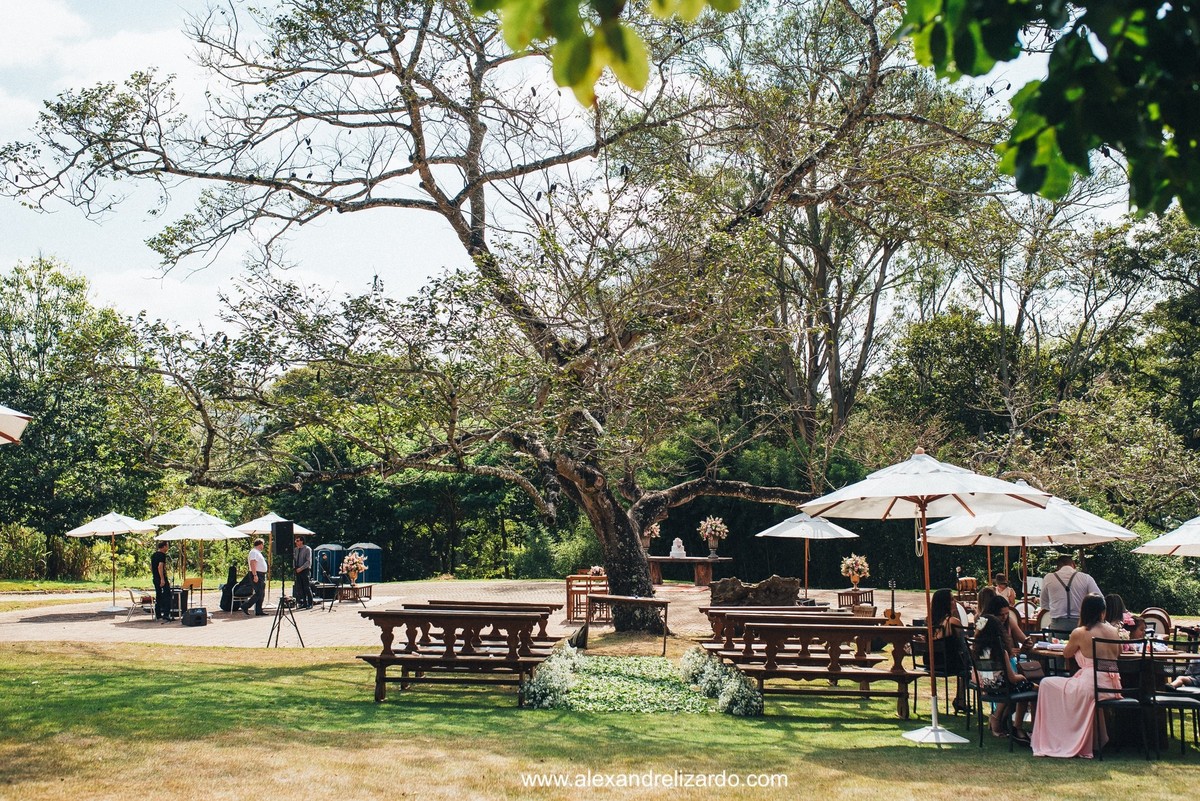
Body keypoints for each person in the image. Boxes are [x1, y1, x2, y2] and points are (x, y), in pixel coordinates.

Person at [1030, 593, 1122, 758]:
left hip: (1091, 685)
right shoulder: (1114, 631)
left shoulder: (1080, 632)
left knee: (1045, 683)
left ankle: (1058, 737)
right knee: (1064, 685)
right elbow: (1119, 654)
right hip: (1112, 685)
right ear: (1103, 612)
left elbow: (1066, 653)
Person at [972, 612, 1035, 744]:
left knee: (1024, 686)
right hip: (1001, 686)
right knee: (1033, 688)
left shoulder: (976, 649)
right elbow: (1011, 678)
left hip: (985, 685)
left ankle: (1000, 719)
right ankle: (1019, 726)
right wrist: (1022, 677)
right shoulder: (1001, 651)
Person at [928, 587, 969, 712]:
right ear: (945, 603)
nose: (955, 601)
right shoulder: (952, 622)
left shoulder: (929, 621)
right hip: (949, 662)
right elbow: (963, 643)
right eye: (951, 599)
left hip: (931, 661)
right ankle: (961, 699)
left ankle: (960, 699)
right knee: (967, 666)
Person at [1039, 554, 1102, 632]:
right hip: (1081, 625)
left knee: (1055, 643)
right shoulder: (1086, 578)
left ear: (1057, 567)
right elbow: (1100, 600)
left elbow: (1044, 604)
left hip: (1057, 626)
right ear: (1074, 564)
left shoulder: (1049, 578)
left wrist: (1056, 608)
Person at [151, 541, 172, 621]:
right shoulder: (162, 555)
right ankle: (166, 614)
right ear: (164, 547)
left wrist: (155, 575)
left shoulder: (154, 555)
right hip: (161, 579)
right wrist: (162, 579)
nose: (168, 548)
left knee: (158, 595)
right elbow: (160, 567)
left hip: (155, 578)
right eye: (167, 546)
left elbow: (152, 567)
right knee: (167, 595)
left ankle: (158, 614)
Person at [248, 538, 269, 616]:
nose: (263, 546)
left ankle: (259, 610)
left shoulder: (257, 552)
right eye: (263, 545)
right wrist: (255, 575)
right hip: (257, 574)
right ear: (260, 544)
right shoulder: (254, 552)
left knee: (261, 593)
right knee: (259, 592)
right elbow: (252, 563)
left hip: (261, 574)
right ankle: (246, 605)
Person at [293, 535, 313, 610]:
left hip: (305, 570)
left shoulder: (307, 549)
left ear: (302, 541)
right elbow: (294, 559)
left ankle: (310, 603)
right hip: (297, 570)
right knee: (300, 587)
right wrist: (295, 567)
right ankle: (303, 603)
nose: (296, 542)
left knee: (306, 587)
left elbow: (308, 561)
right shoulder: (295, 550)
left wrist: (301, 568)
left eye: (297, 541)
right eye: (295, 541)